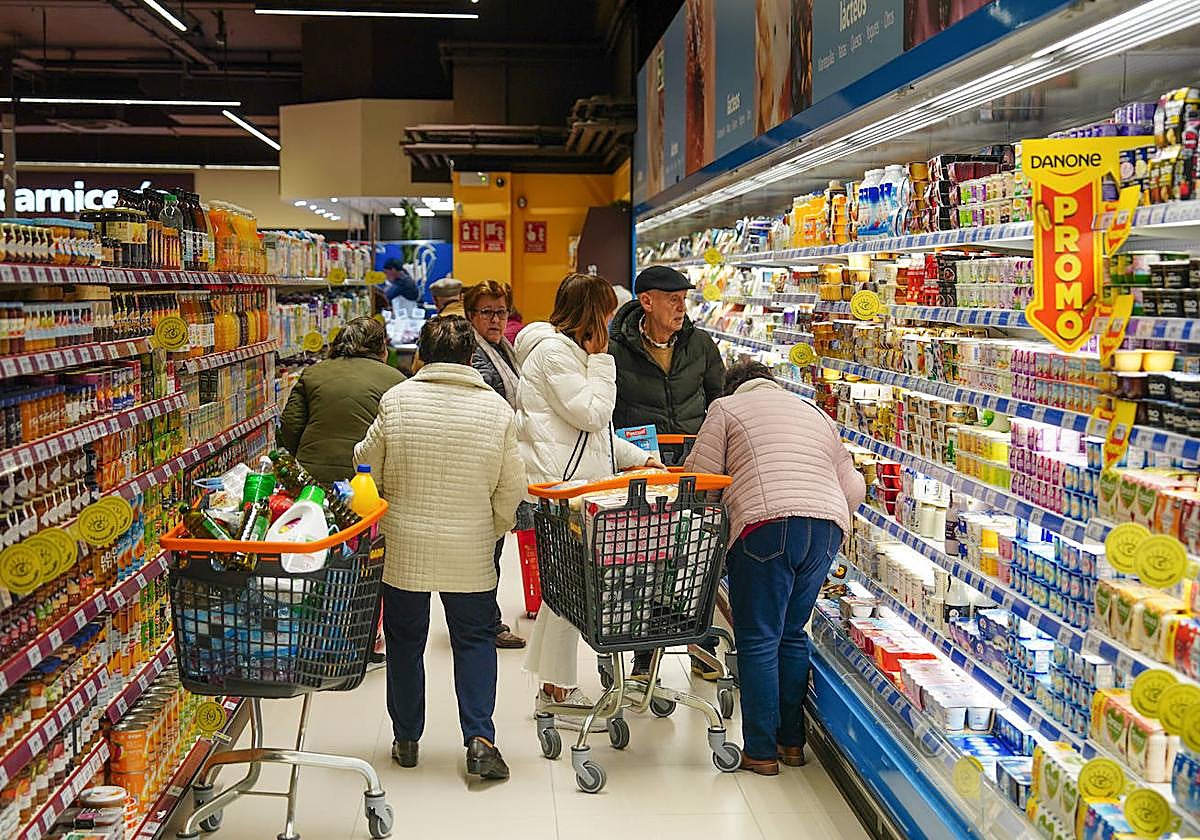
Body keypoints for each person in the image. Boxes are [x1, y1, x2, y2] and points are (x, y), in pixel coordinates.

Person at [354, 315, 526, 781]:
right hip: (469, 546)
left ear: (420, 355)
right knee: (474, 640)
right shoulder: (496, 410)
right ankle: (480, 740)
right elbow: (513, 487)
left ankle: (407, 738)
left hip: (404, 543)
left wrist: (393, 501)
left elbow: (365, 461)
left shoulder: (398, 399)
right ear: (472, 358)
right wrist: (491, 525)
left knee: (406, 643)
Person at [682, 360, 866, 776]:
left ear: (733, 387)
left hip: (766, 526)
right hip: (826, 528)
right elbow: (855, 487)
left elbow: (699, 478)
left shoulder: (726, 409)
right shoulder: (814, 412)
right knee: (791, 633)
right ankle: (792, 743)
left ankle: (761, 752)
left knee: (759, 638)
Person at [515, 272, 661, 730]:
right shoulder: (557, 354)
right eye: (608, 311)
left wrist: (639, 459)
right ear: (591, 313)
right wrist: (604, 364)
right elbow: (593, 412)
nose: (613, 320)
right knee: (572, 590)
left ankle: (553, 687)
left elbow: (594, 434)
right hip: (565, 492)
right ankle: (556, 691)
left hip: (579, 487)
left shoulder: (571, 353)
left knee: (566, 592)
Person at [609, 265, 725, 679]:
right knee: (648, 559)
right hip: (644, 469)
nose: (681, 307)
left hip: (695, 467)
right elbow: (609, 410)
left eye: (684, 299)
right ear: (647, 302)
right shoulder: (615, 349)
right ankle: (644, 653)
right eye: (672, 299)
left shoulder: (701, 345)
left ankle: (699, 642)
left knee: (696, 556)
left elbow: (719, 402)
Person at [464, 279, 525, 649]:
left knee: (493, 546)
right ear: (472, 316)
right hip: (483, 463)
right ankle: (486, 621)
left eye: (501, 311)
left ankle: (484, 617)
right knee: (487, 549)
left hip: (501, 459)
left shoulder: (504, 348)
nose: (496, 319)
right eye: (487, 312)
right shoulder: (474, 354)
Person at [278, 316, 405, 485]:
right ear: (382, 350)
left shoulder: (312, 373)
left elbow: (290, 424)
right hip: (366, 476)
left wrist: (304, 453)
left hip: (312, 473)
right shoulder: (396, 380)